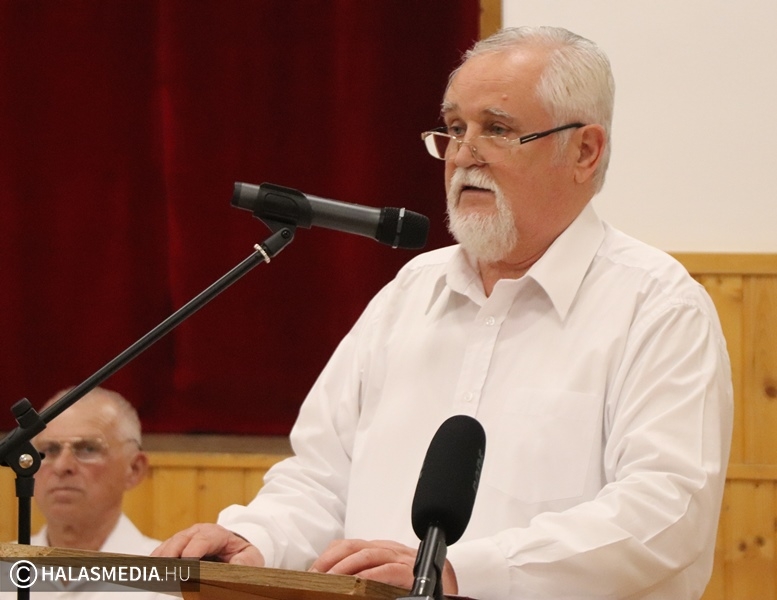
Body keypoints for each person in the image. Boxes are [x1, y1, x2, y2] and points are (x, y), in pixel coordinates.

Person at [153, 26, 734, 599]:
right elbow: (322, 479)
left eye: (497, 129)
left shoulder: (656, 306)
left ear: (585, 151)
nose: (462, 155)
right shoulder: (411, 293)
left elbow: (665, 514)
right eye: (454, 129)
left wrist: (456, 573)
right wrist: (256, 538)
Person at [1, 387, 173, 599]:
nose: (62, 466)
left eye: (88, 449)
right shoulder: (4, 569)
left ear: (134, 469)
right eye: (50, 450)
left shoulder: (171, 581)